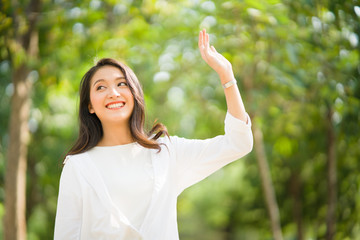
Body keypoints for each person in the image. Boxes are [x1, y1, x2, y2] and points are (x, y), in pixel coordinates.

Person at [54, 29, 253, 240]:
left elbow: (238, 142)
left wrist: (227, 75)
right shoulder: (78, 166)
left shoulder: (166, 153)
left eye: (122, 84)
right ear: (90, 106)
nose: (113, 92)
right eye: (101, 87)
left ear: (134, 94)